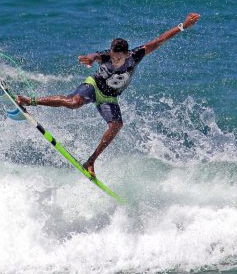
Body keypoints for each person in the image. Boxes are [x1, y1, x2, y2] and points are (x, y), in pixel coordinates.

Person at [16, 12, 200, 177]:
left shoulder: (136, 55)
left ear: (127, 54)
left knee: (117, 125)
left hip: (109, 98)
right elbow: (94, 56)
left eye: (118, 58)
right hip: (94, 86)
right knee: (73, 103)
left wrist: (183, 25)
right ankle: (28, 100)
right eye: (112, 56)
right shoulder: (106, 55)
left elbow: (160, 40)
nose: (115, 60)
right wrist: (89, 58)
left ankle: (91, 161)